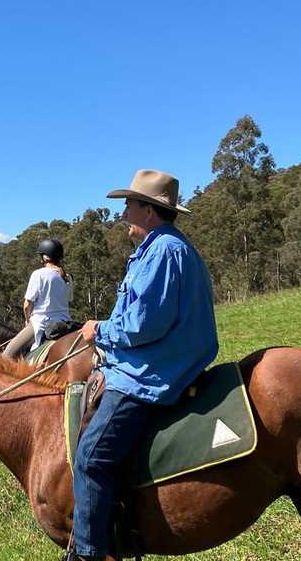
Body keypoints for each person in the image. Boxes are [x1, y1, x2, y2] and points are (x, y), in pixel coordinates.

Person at [67, 169, 219, 561]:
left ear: (149, 211)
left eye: (129, 206)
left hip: (150, 374)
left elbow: (143, 324)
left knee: (90, 458)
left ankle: (90, 553)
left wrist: (99, 330)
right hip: (149, 363)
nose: (122, 215)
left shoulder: (164, 251)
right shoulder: (161, 248)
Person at [3, 238, 73, 360]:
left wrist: (27, 320)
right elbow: (70, 299)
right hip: (65, 323)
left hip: (41, 322)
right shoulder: (67, 277)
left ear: (45, 257)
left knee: (6, 356)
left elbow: (27, 304)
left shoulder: (39, 274)